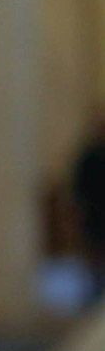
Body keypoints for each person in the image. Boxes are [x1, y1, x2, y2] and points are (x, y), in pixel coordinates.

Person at [73, 109, 105, 304]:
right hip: (93, 212)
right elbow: (79, 184)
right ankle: (95, 290)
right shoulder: (90, 155)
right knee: (94, 253)